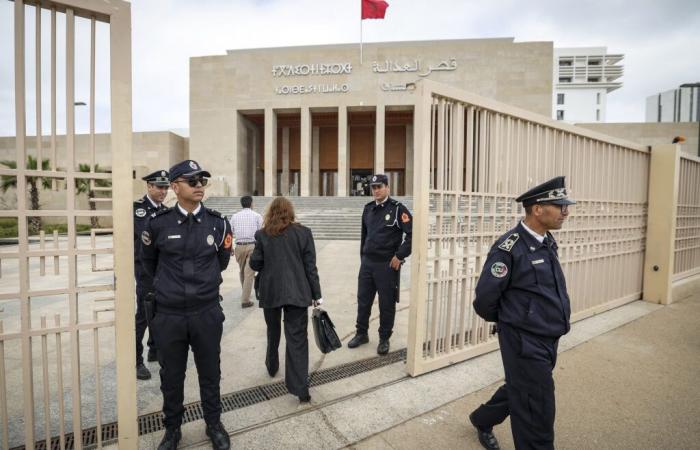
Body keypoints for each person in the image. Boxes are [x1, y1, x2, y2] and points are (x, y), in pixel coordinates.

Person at [469, 176, 575, 450]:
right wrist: (513, 321)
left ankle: (482, 418)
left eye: (566, 205)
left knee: (523, 387)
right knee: (536, 412)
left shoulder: (547, 241)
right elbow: (484, 300)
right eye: (559, 205)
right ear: (537, 209)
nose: (566, 211)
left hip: (548, 337)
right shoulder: (509, 247)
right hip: (524, 341)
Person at [140, 160, 233, 450]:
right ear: (176, 186)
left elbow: (222, 261)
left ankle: (214, 424)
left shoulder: (218, 223)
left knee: (210, 372)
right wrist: (171, 290)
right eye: (192, 181)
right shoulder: (157, 224)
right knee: (171, 375)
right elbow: (148, 264)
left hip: (206, 311)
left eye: (202, 181)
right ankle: (172, 430)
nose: (199, 186)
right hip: (170, 316)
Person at [249, 197, 322, 403]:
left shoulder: (262, 235)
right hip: (298, 292)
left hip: (271, 291)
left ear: (270, 213)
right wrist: (317, 295)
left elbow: (255, 264)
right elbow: (311, 267)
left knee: (273, 331)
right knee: (297, 339)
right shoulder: (304, 233)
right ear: (290, 212)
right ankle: (301, 389)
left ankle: (272, 365)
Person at [347, 174, 412, 355]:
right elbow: (364, 237)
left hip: (386, 265)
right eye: (373, 187)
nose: (376, 190)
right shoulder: (368, 209)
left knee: (386, 303)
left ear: (387, 188)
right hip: (368, 264)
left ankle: (384, 338)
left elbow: (412, 235)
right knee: (363, 300)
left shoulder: (398, 209)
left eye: (379, 187)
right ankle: (361, 333)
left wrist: (399, 256)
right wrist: (363, 258)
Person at [133, 169, 169, 381]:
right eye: (159, 186)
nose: (163, 191)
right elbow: (147, 235)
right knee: (144, 314)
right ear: (149, 186)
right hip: (145, 270)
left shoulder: (165, 210)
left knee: (160, 308)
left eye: (166, 187)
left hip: (161, 269)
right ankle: (136, 360)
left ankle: (154, 349)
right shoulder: (138, 209)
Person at [228, 195, 263, 308]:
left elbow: (229, 232)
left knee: (243, 271)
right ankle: (245, 300)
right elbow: (261, 233)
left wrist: (229, 248)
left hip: (239, 246)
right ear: (251, 203)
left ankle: (245, 294)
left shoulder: (234, 216)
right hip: (252, 246)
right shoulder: (257, 216)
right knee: (248, 273)